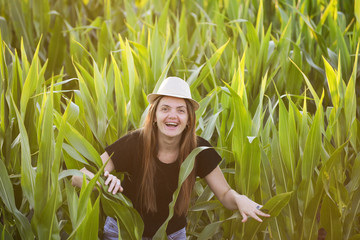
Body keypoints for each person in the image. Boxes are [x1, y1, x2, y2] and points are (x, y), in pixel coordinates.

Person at [72, 77, 270, 239]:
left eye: (180, 110)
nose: (172, 116)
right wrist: (103, 181)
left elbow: (225, 194)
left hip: (172, 236)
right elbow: (77, 175)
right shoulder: (134, 143)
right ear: (155, 116)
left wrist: (239, 198)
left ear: (189, 119)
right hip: (124, 232)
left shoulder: (199, 150)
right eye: (165, 108)